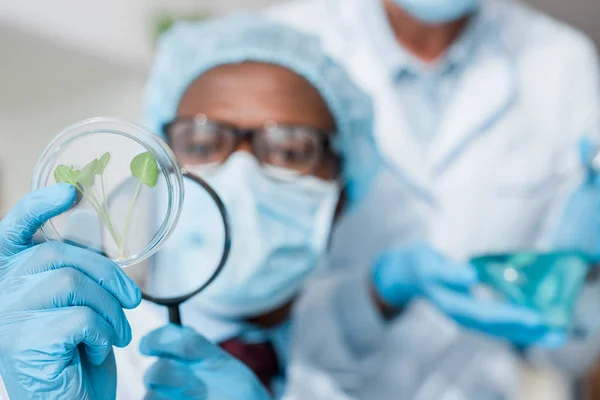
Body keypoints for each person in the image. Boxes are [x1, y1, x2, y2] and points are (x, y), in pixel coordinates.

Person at [0, 13, 380, 399]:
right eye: (200, 144)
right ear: (158, 168)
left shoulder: (342, 384)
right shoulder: (63, 353)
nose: (242, 174)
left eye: (290, 151)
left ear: (342, 194)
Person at [261, 0, 600, 398]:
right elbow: (246, 309)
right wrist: (372, 295)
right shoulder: (283, 43)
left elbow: (567, 352)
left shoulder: (560, 61)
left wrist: (577, 281)